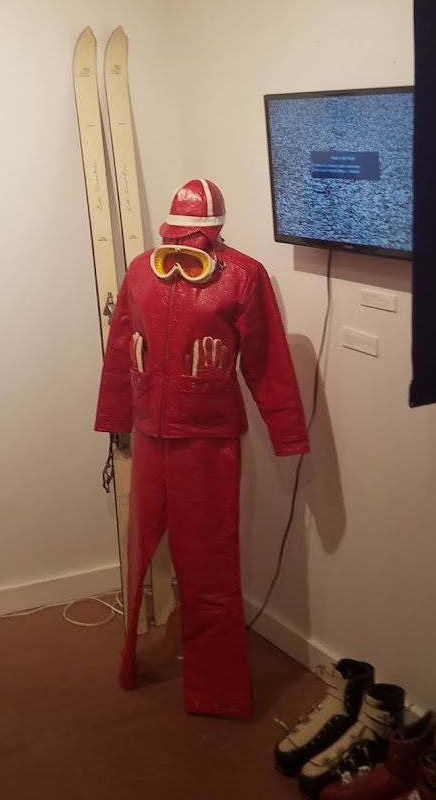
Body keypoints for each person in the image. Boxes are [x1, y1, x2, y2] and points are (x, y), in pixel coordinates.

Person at [94, 179, 309, 718]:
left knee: (211, 563)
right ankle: (131, 660)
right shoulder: (141, 270)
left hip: (209, 443)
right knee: (138, 551)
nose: (184, 245)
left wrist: (287, 431)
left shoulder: (243, 274)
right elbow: (122, 346)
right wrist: (116, 416)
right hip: (150, 433)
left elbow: (266, 358)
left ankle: (218, 689)